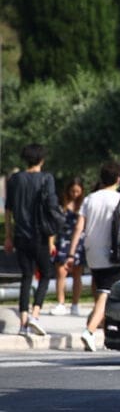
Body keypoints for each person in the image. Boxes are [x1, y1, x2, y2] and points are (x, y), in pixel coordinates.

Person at [68, 161, 120, 352]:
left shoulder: (89, 199)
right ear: (118, 179)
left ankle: (105, 335)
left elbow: (79, 227)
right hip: (111, 253)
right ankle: (89, 331)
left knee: (101, 292)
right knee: (105, 295)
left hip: (92, 253)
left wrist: (71, 253)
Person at [3, 143, 58, 336]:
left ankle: (23, 321)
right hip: (40, 236)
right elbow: (50, 211)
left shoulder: (15, 180)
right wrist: (52, 240)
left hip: (20, 235)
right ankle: (35, 314)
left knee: (26, 276)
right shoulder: (46, 179)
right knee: (45, 274)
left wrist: (8, 236)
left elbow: (8, 211)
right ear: (42, 160)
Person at [49, 176, 86, 316]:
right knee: (61, 272)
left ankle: (75, 304)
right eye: (72, 191)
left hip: (79, 242)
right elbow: (54, 225)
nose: (75, 194)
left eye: (77, 191)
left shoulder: (84, 206)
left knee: (77, 273)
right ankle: (61, 302)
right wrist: (51, 242)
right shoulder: (61, 205)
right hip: (63, 240)